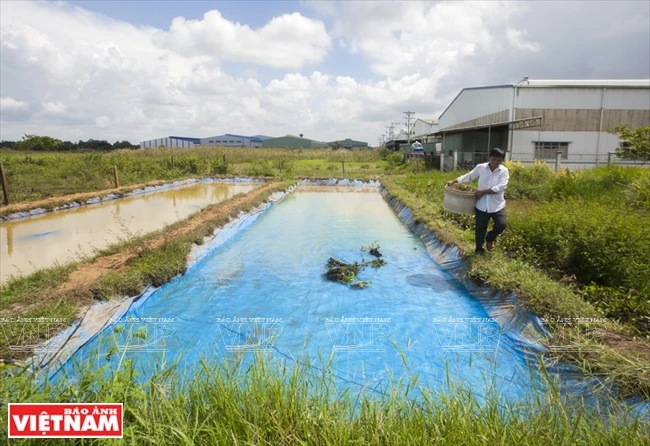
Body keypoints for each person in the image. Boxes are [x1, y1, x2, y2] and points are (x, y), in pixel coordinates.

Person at [446, 148, 509, 254]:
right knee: (480, 229)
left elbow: (501, 187)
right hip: (481, 205)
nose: (495, 162)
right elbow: (469, 176)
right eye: (494, 159)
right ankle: (479, 250)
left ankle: (490, 238)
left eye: (499, 160)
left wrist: (483, 192)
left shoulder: (504, 171)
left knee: (501, 225)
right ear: (490, 157)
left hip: (497, 205)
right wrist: (454, 181)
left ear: (502, 160)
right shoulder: (481, 168)